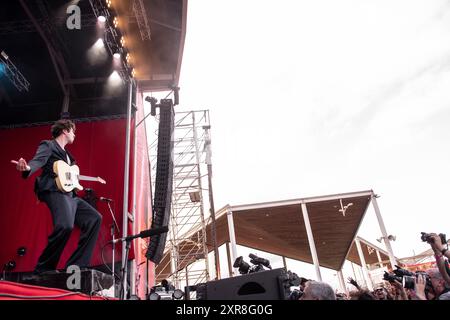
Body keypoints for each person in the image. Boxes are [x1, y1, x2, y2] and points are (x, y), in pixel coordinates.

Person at [12, 119, 102, 275]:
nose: (74, 134)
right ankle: (43, 268)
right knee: (65, 225)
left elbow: (71, 177)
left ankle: (76, 267)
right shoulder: (48, 145)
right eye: (73, 131)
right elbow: (38, 161)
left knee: (94, 218)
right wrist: (27, 168)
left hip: (70, 195)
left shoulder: (69, 157)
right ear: (65, 131)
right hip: (54, 190)